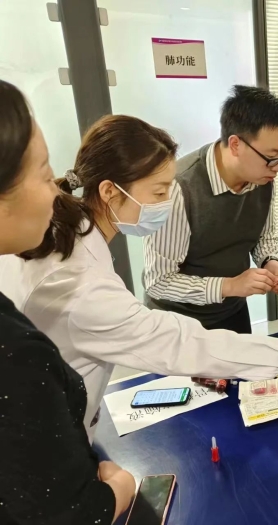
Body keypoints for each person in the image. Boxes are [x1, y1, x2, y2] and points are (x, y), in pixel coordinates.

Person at [0, 114, 278, 438]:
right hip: (49, 433)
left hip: (62, 415)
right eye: (159, 192)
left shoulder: (70, 234)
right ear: (110, 192)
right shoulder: (79, 285)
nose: (167, 203)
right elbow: (183, 343)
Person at [0, 80, 135, 524]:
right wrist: (118, 490)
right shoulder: (18, 353)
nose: (56, 190)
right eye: (44, 175)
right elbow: (67, 513)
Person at [143, 85, 278, 333]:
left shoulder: (262, 177)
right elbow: (159, 281)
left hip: (231, 310)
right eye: (272, 156)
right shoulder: (178, 188)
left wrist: (271, 264)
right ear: (235, 144)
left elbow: (263, 236)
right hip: (177, 321)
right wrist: (230, 285)